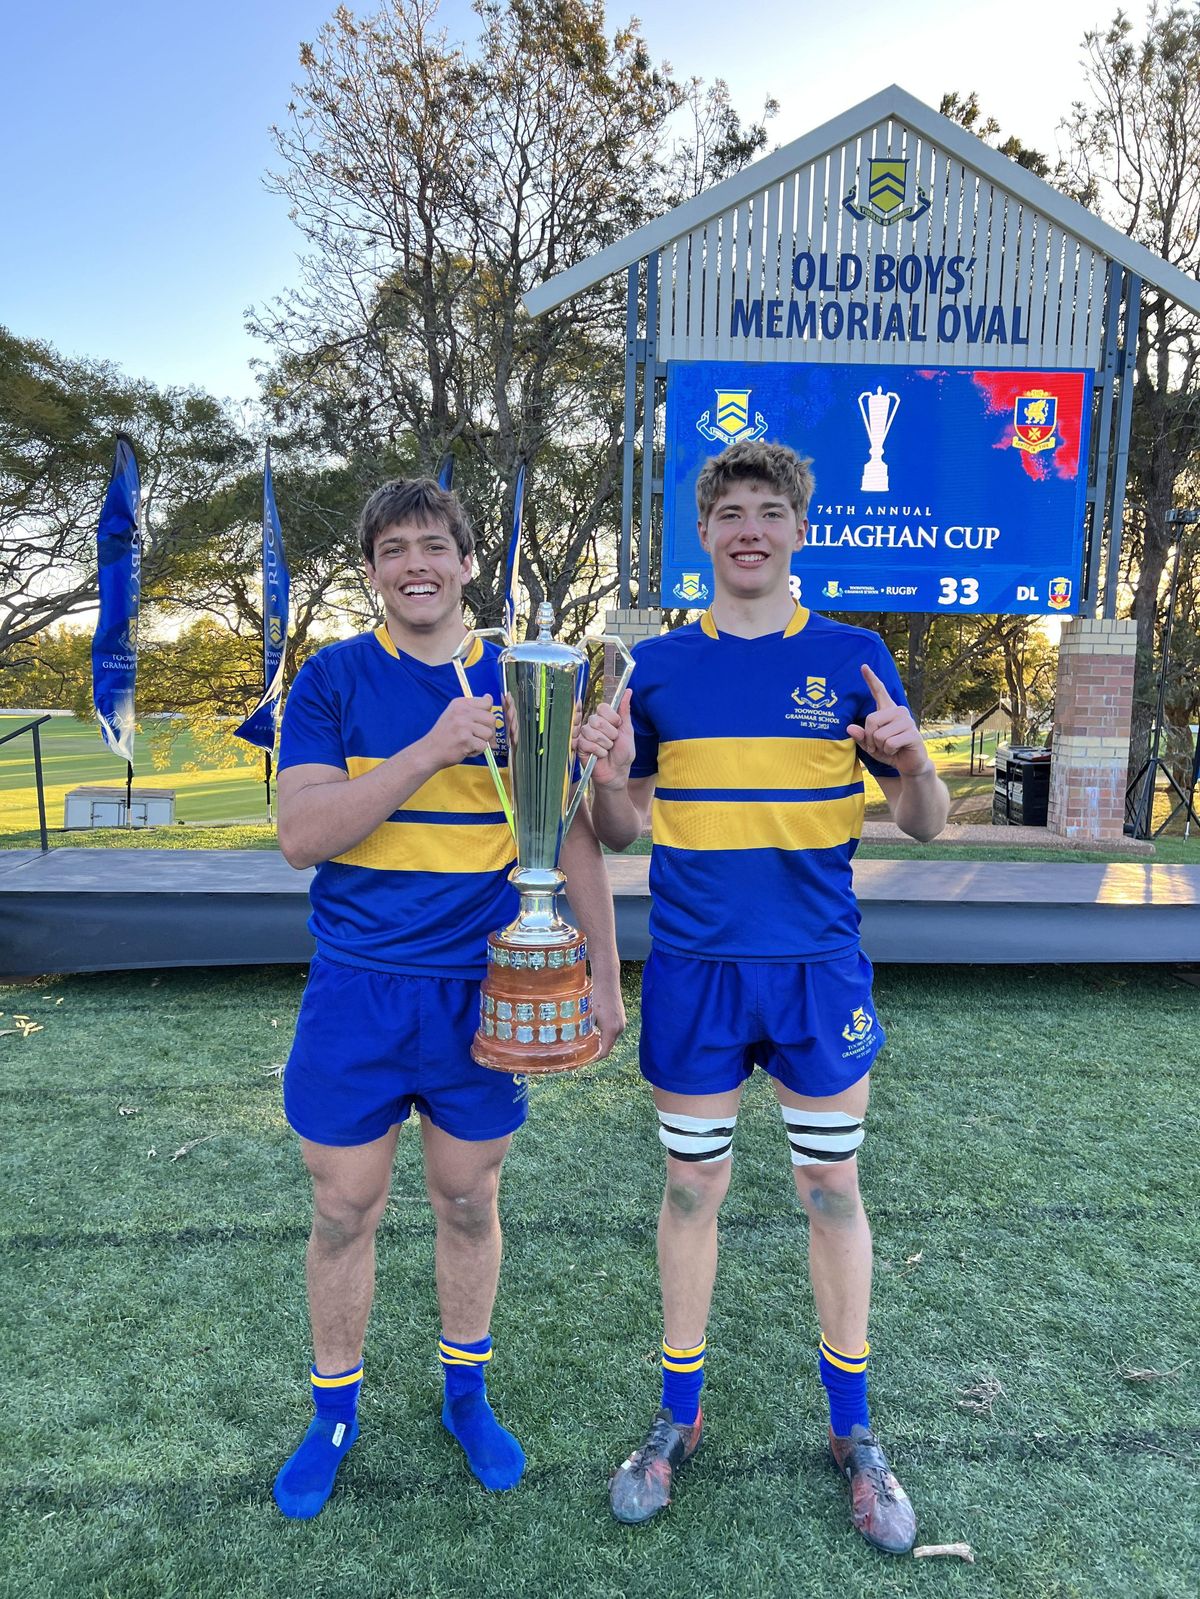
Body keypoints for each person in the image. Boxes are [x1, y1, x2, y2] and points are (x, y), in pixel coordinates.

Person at [578, 440, 948, 1555]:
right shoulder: (654, 667)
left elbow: (926, 823)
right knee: (693, 1188)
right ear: (704, 533)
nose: (750, 528)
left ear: (799, 529)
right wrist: (607, 778)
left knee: (830, 1188)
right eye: (731, 511)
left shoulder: (853, 656)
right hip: (695, 969)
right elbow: (617, 830)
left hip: (815, 969)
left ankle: (855, 1433)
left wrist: (916, 764)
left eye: (770, 510)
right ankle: (677, 1418)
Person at [272, 476, 624, 1519]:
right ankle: (334, 1415)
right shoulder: (332, 677)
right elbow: (302, 836)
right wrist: (433, 746)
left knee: (469, 1199)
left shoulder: (523, 679)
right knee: (344, 1208)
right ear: (373, 572)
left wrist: (605, 975)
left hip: (483, 990)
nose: (416, 565)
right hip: (358, 991)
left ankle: (465, 1394)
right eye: (394, 550)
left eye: (435, 546)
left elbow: (576, 838)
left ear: (469, 563)